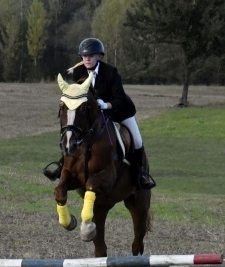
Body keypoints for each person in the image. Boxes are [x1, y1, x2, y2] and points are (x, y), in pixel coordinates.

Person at [43, 37, 156, 190]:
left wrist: (106, 105)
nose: (87, 59)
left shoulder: (110, 72)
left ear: (98, 56)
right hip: (94, 114)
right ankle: (62, 165)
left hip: (119, 111)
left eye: (91, 55)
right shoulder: (78, 72)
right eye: (84, 56)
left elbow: (120, 98)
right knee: (74, 134)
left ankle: (141, 174)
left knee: (136, 140)